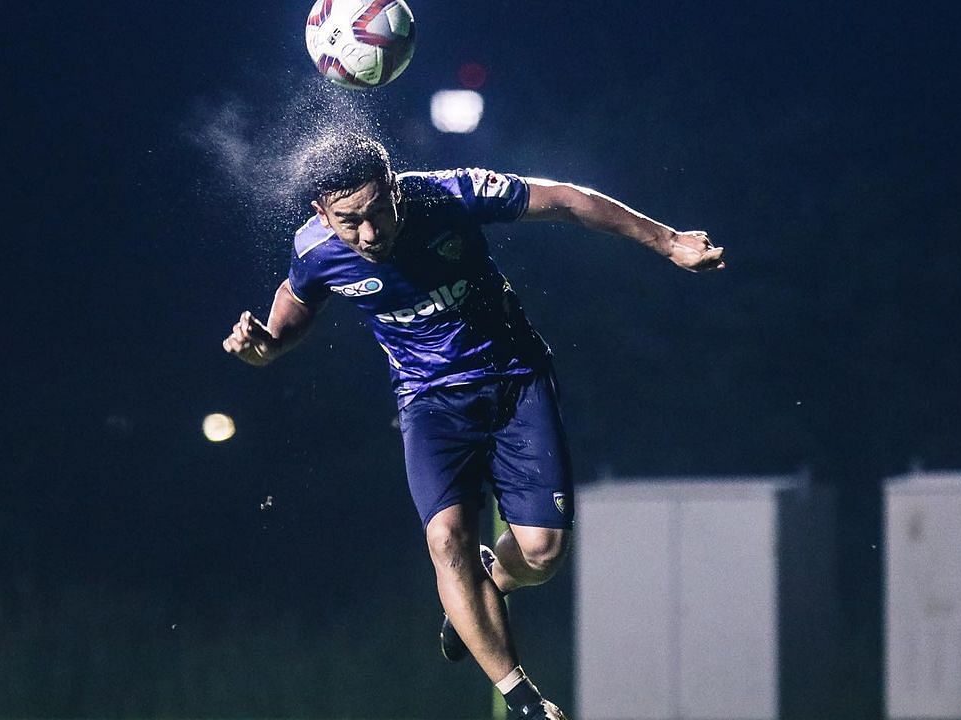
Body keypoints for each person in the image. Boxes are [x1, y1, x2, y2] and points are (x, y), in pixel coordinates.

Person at [222, 134, 724, 720]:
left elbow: (566, 200)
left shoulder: (447, 196)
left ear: (394, 188)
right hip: (429, 403)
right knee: (445, 542)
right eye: (348, 221)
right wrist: (268, 347)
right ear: (321, 213)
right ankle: (524, 702)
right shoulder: (315, 249)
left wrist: (668, 243)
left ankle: (484, 585)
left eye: (377, 210)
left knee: (543, 554)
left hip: (515, 380)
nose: (367, 234)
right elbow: (295, 299)